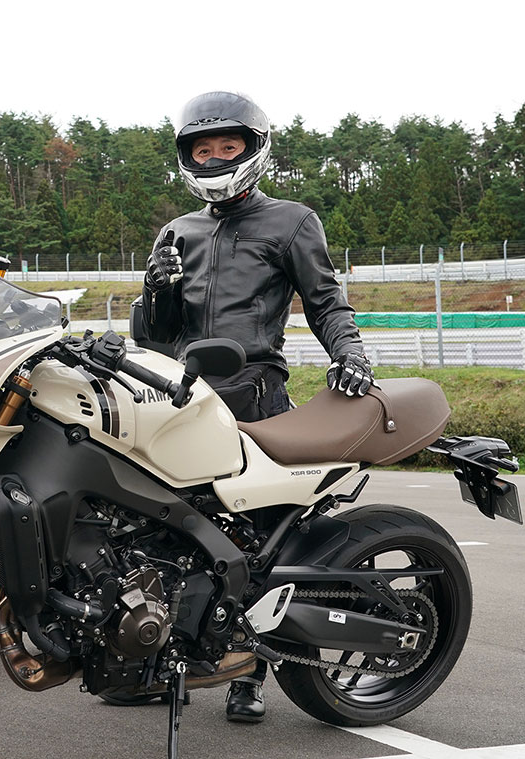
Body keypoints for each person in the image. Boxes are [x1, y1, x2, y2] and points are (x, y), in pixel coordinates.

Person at [140, 90, 375, 723]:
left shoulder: (291, 221)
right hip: (180, 395)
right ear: (187, 156)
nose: (215, 157)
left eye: (228, 145)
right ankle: (164, 655)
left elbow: (326, 301)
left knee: (260, 536)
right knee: (165, 529)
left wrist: (351, 354)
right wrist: (156, 290)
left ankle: (251, 674)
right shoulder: (177, 231)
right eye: (203, 149)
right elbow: (154, 336)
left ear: (254, 149)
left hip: (256, 390)